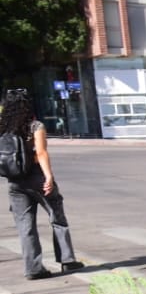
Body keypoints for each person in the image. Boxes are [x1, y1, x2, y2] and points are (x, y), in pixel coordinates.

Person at [1, 88, 85, 279]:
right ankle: (67, 261)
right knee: (57, 217)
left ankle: (33, 269)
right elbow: (41, 153)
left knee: (25, 226)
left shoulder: (3, 127)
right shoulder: (35, 126)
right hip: (37, 177)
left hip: (14, 181)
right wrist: (48, 177)